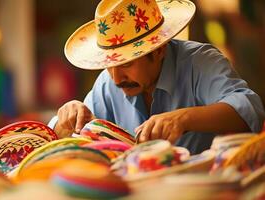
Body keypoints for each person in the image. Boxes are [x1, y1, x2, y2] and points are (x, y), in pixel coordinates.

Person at [48, 0, 265, 154]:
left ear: (159, 50)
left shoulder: (200, 62)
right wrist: (67, 118)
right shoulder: (109, 81)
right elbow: (68, 134)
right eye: (109, 65)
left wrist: (183, 118)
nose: (115, 78)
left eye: (127, 63)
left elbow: (249, 110)